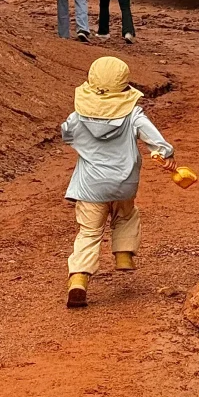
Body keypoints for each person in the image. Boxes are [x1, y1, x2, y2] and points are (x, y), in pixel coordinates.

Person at [60, 55, 174, 308]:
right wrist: (166, 155)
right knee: (126, 214)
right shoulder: (133, 114)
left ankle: (79, 278)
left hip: (90, 185)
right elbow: (156, 141)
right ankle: (123, 255)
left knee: (89, 232)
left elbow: (66, 135)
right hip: (125, 183)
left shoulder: (78, 116)